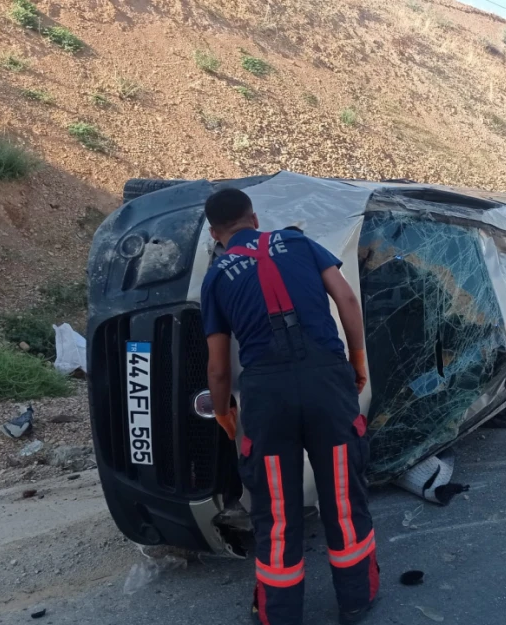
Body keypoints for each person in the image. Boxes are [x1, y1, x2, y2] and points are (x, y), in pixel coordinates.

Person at [201, 188, 379, 625]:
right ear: (255, 219)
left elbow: (219, 368)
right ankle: (356, 600)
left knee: (277, 509)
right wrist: (356, 361)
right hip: (327, 384)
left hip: (267, 397)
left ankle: (279, 613)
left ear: (214, 234)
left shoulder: (217, 274)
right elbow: (348, 300)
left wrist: (225, 413)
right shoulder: (298, 242)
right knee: (341, 494)